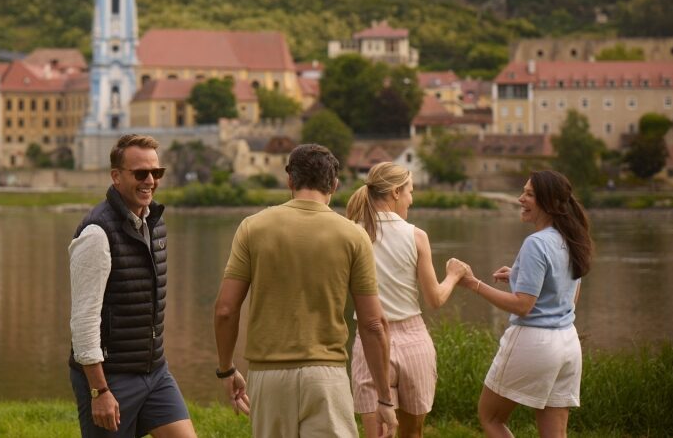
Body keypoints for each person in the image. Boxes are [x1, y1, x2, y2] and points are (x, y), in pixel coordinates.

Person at [213, 143, 398, 438]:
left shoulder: (252, 227)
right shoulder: (354, 235)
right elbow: (374, 324)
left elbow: (225, 310)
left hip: (267, 375)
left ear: (290, 180)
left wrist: (226, 369)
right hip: (326, 375)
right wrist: (385, 398)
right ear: (335, 185)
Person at [68, 134, 197, 438]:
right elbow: (84, 322)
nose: (150, 180)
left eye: (157, 173)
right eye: (141, 173)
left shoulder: (155, 221)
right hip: (111, 377)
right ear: (116, 177)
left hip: (155, 371)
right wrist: (100, 390)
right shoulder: (96, 233)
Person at [450, 170, 593, 438]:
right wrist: (519, 277)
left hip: (534, 342)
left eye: (529, 194)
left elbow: (522, 306)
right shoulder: (572, 240)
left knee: (490, 417)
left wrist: (473, 283)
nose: (520, 199)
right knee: (555, 433)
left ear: (549, 202)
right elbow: (569, 297)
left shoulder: (536, 243)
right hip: (568, 345)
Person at [345, 162, 466, 438]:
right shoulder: (417, 236)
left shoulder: (352, 233)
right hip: (413, 340)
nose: (412, 199)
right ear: (396, 192)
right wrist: (454, 275)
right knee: (413, 435)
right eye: (410, 191)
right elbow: (435, 299)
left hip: (370, 341)